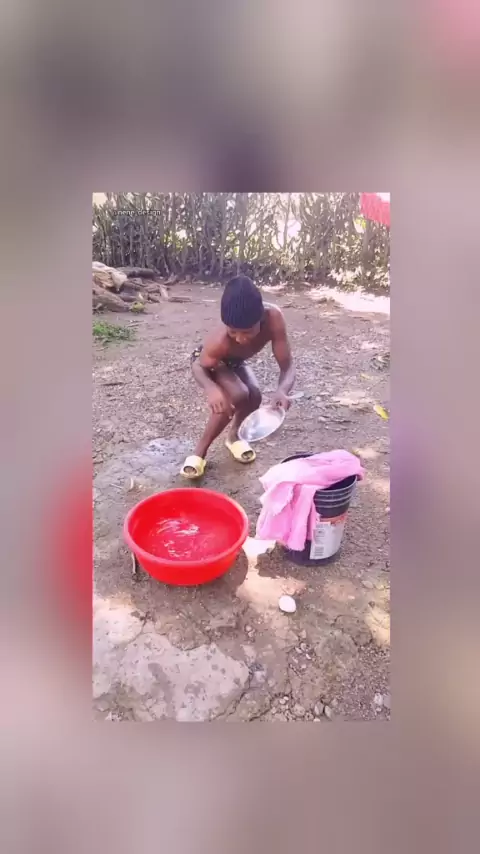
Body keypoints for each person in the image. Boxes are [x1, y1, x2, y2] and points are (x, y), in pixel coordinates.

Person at [181, 275, 295, 479]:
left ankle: (234, 438)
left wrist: (282, 390)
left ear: (260, 319)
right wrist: (211, 389)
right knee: (237, 395)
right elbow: (199, 365)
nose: (240, 339)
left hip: (235, 362)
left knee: (255, 396)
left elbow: (287, 367)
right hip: (211, 363)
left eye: (247, 332)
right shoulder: (219, 341)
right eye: (233, 332)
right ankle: (199, 453)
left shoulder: (274, 319)